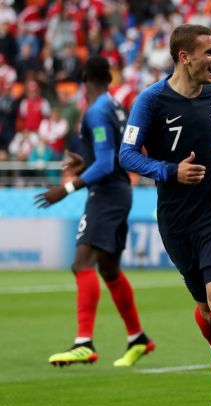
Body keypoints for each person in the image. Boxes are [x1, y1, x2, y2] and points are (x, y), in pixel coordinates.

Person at [118, 24, 211, 406]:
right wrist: (170, 171)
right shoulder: (151, 100)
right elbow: (126, 154)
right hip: (176, 218)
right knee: (205, 306)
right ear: (184, 57)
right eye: (209, 52)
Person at [34, 56, 155, 368]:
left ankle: (83, 342)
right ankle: (138, 338)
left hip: (106, 196)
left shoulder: (97, 110)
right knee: (110, 270)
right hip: (119, 191)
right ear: (109, 79)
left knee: (81, 263)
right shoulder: (114, 106)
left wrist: (68, 187)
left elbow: (105, 163)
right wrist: (85, 165)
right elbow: (113, 157)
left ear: (84, 78)